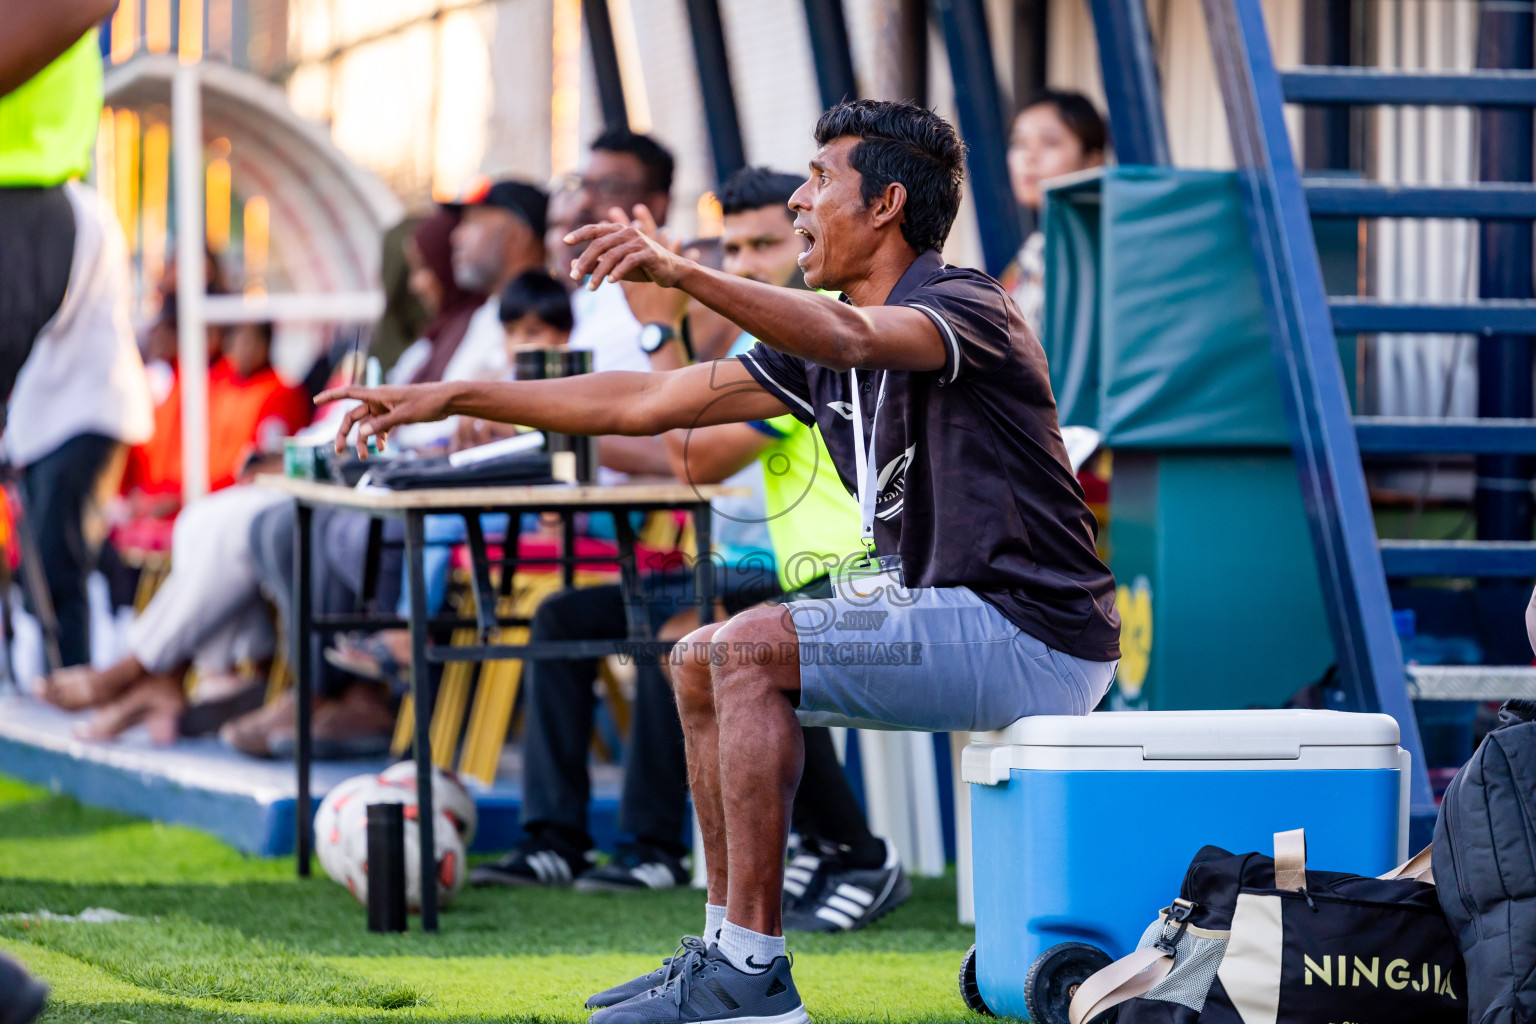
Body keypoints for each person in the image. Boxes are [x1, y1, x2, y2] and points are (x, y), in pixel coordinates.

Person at [321, 99, 1120, 1023]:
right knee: (696, 655)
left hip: (1034, 633)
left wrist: (681, 276)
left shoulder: (965, 305)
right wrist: (452, 393)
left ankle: (752, 973)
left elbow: (852, 338)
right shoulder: (820, 350)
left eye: (820, 182)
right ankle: (725, 952)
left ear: (888, 205)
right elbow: (643, 403)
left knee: (741, 648)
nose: (798, 205)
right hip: (940, 614)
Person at [1001, 90, 1108, 332]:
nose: (1029, 157)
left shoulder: (1100, 253)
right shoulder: (1033, 250)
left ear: (1093, 161)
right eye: (1019, 143)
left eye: (1050, 143)